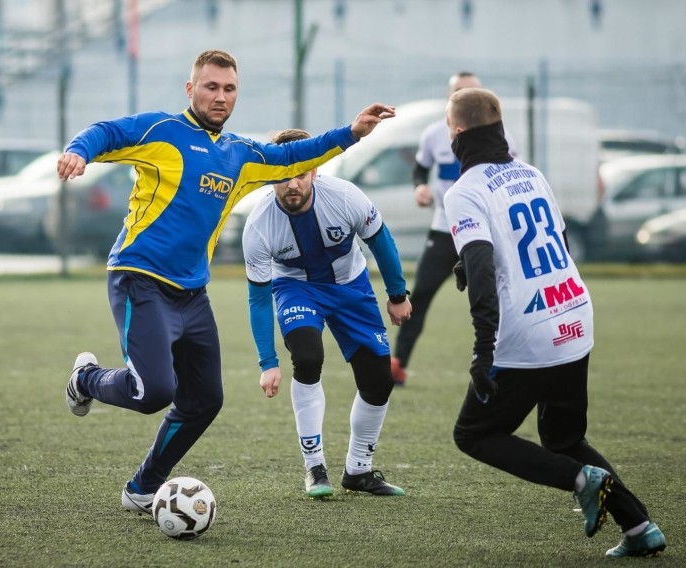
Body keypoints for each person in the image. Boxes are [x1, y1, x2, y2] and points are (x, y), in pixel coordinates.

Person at [57, 49, 396, 514]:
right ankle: (86, 378)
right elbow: (108, 132)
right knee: (153, 392)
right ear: (190, 88)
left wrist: (352, 134)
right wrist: (80, 150)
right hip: (140, 279)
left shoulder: (239, 154)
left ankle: (142, 486)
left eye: (229, 89)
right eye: (211, 86)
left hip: (193, 294)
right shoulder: (163, 131)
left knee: (205, 400)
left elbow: (293, 153)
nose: (220, 96)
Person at [442, 87, 666, 558]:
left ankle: (580, 480)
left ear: (457, 133)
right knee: (564, 437)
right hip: (574, 316)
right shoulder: (531, 173)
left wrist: (484, 350)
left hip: (528, 334)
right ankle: (640, 527)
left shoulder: (463, 191)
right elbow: (554, 242)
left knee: (474, 434)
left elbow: (483, 272)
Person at [243, 128, 411, 499]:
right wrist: (267, 361)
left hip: (351, 286)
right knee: (307, 357)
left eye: (301, 173)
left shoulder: (346, 196)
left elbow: (381, 242)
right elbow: (257, 299)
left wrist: (397, 293)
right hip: (295, 288)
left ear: (315, 171)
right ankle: (314, 467)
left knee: (378, 380)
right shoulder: (258, 225)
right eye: (283, 174)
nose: (292, 183)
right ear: (271, 174)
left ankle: (359, 471)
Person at [390, 71, 517, 386]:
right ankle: (398, 363)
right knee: (420, 295)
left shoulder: (504, 138)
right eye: (460, 92)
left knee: (501, 293)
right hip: (445, 229)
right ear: (449, 97)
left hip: (485, 233)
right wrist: (420, 186)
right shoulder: (435, 134)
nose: (466, 98)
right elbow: (420, 168)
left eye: (474, 92)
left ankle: (506, 363)